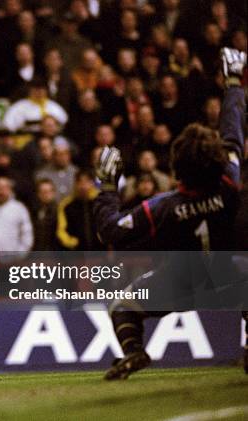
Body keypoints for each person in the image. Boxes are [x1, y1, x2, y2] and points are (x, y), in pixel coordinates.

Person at [94, 48, 247, 380]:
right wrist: (233, 81)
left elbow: (110, 231)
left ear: (178, 169)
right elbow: (233, 128)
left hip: (184, 280)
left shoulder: (163, 207)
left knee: (124, 306)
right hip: (235, 276)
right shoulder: (229, 182)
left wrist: (106, 185)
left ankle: (134, 351)